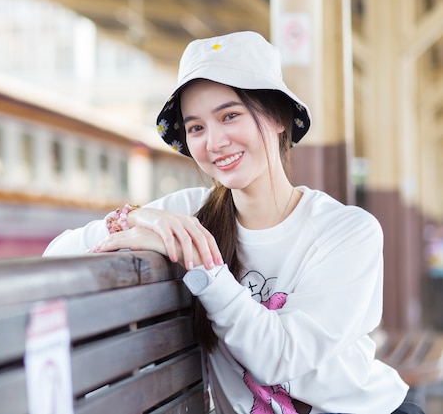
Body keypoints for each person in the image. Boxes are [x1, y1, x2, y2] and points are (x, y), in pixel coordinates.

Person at [43, 31, 422, 414]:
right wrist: (140, 216)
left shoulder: (347, 231)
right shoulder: (190, 213)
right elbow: (56, 256)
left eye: (229, 116)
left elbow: (279, 357)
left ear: (277, 117)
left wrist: (204, 265)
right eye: (196, 128)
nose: (215, 141)